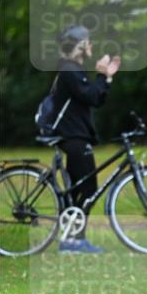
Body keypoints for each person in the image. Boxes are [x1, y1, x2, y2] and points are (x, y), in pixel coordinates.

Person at [51, 25, 121, 253]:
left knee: (77, 190)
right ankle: (74, 240)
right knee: (88, 189)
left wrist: (107, 78)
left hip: (76, 135)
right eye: (88, 41)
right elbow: (91, 96)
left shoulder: (74, 69)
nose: (91, 45)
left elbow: (96, 99)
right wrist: (101, 74)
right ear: (80, 45)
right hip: (73, 136)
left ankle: (70, 239)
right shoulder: (70, 69)